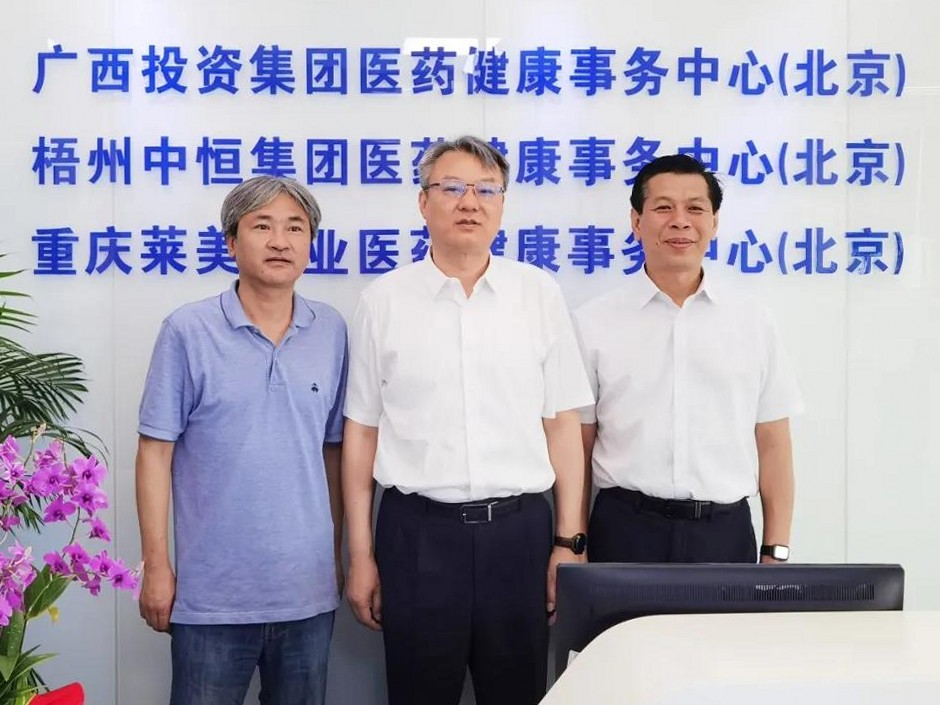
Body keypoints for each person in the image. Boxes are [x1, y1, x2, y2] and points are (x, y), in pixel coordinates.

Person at [342, 136, 593, 705]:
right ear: (423, 202)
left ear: (502, 205)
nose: (469, 202)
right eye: (452, 188)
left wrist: (569, 542)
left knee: (517, 691)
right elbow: (362, 432)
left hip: (520, 536)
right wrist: (361, 554)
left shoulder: (537, 294)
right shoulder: (384, 300)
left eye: (486, 190)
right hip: (416, 536)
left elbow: (562, 424)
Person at [135, 176, 347, 705]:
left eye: (295, 228)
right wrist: (157, 567)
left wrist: (334, 556)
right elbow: (155, 453)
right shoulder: (188, 330)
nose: (280, 241)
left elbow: (334, 452)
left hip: (306, 594)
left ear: (311, 244)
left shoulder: (331, 331)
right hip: (211, 599)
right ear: (231, 242)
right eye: (262, 226)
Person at [575, 154, 802, 566]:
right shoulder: (593, 322)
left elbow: (773, 442)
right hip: (625, 531)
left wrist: (776, 549)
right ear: (636, 221)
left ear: (714, 223)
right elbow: (580, 446)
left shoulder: (752, 321)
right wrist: (574, 542)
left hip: (724, 534)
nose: (680, 222)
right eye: (663, 207)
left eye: (695, 209)